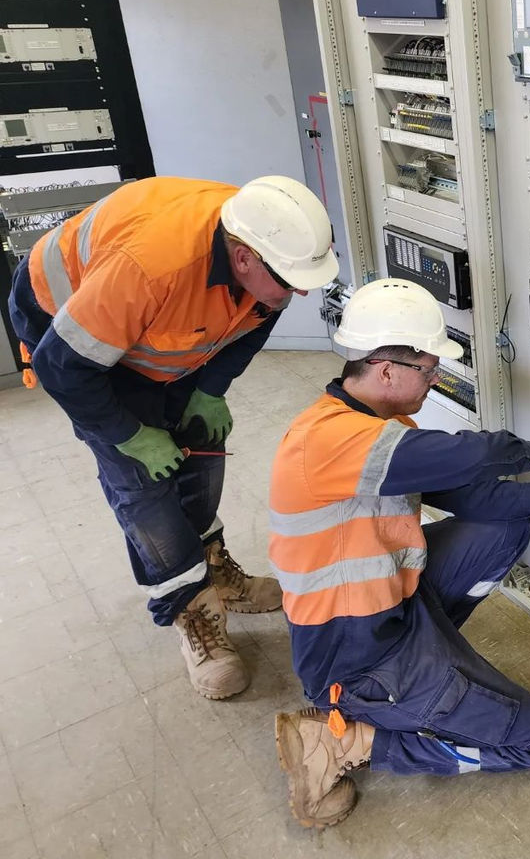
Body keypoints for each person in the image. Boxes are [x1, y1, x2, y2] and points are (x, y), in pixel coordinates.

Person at [269, 278, 530, 828]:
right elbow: (468, 457)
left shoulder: (379, 428)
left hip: (397, 612)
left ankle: (438, 670)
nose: (436, 380)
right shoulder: (328, 440)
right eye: (429, 370)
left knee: (504, 528)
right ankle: (349, 738)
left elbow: (467, 493)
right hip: (355, 657)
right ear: (386, 370)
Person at [6, 175, 339, 700]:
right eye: (292, 280)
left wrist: (210, 388)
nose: (301, 292)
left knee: (199, 448)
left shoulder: (269, 240)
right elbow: (62, 369)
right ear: (243, 257)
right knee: (143, 484)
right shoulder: (148, 269)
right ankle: (190, 609)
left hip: (161, 318)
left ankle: (213, 570)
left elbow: (256, 318)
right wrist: (130, 434)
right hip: (76, 338)